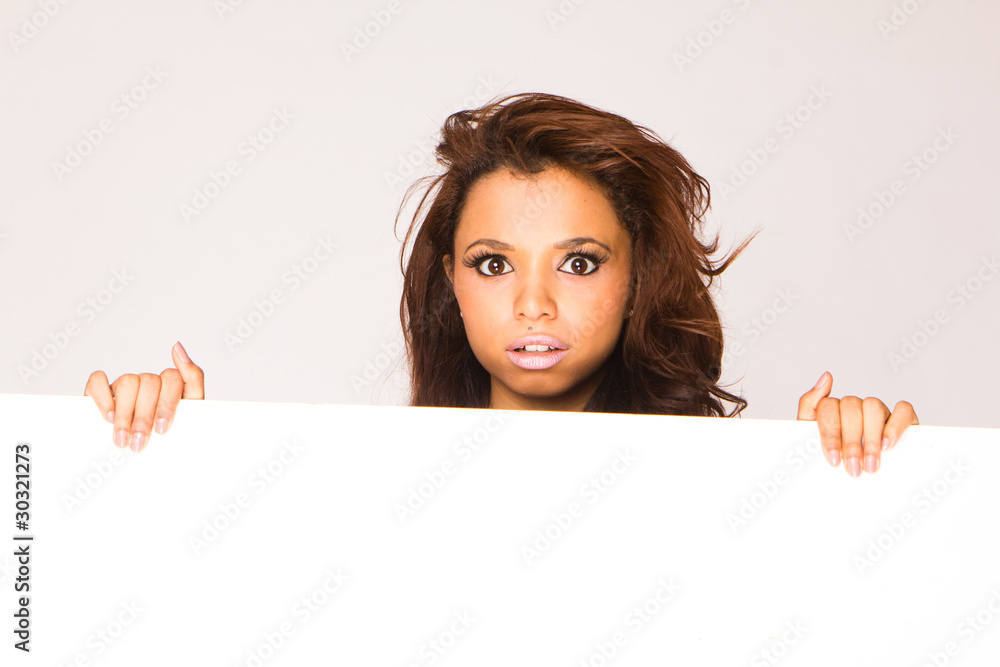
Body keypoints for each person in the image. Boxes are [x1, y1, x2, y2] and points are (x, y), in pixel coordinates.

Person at [84, 92, 918, 477]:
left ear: (638, 278)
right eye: (493, 262)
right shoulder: (368, 489)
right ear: (450, 280)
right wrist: (165, 465)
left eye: (579, 261)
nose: (533, 303)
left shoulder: (734, 493)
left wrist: (847, 483)